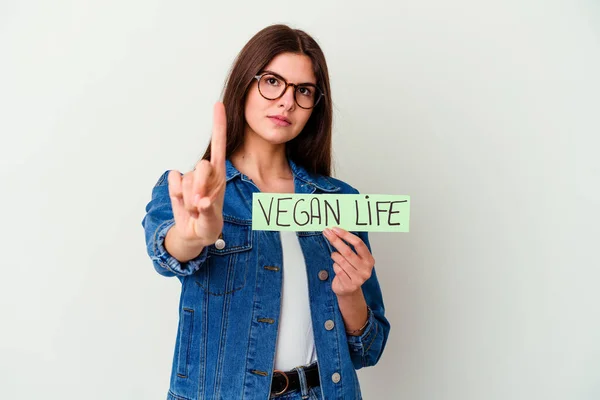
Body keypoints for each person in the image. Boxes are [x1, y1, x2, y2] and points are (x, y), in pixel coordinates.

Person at [142, 24, 390, 400]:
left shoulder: (340, 201)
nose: (287, 102)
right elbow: (167, 252)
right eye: (272, 82)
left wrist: (350, 292)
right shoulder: (192, 190)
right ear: (245, 83)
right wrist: (192, 235)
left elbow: (368, 350)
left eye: (303, 90)